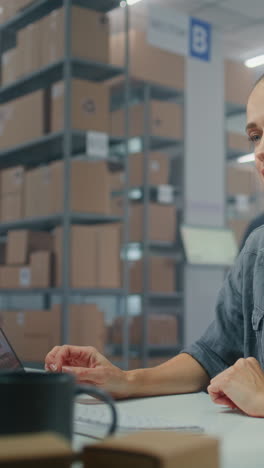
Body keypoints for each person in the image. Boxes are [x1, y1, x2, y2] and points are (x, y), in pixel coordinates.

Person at [46, 74, 264, 418]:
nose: (260, 151)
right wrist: (126, 379)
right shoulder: (257, 251)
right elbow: (212, 355)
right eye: (255, 136)